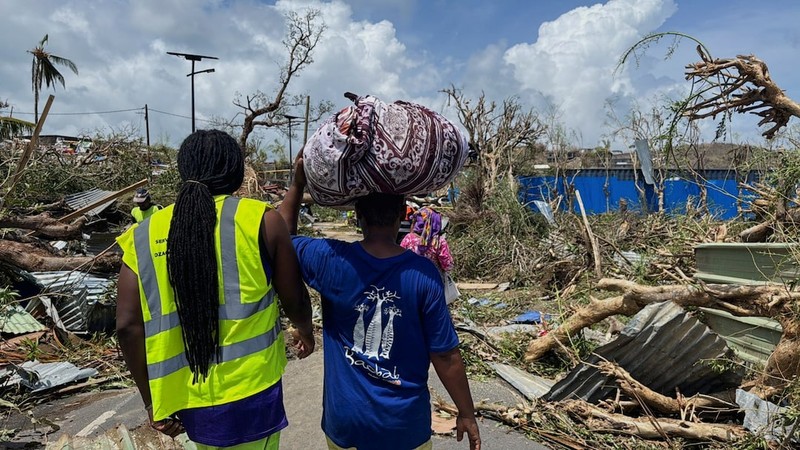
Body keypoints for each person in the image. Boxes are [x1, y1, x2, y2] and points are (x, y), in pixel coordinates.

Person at [116, 130, 314, 449]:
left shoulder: (142, 235)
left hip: (185, 398)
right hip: (251, 391)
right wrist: (305, 330)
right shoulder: (258, 219)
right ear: (236, 173)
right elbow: (294, 299)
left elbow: (127, 327)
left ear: (184, 171)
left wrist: (152, 401)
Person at [279, 155, 481, 450]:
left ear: (358, 214)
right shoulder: (422, 274)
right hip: (403, 427)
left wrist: (297, 183)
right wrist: (466, 413)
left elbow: (282, 240)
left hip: (346, 424)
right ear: (403, 213)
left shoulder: (330, 259)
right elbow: (446, 356)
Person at [400, 207, 459, 304]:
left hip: (411, 282)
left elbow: (400, 260)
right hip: (434, 283)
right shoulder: (439, 241)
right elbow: (448, 265)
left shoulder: (408, 238)